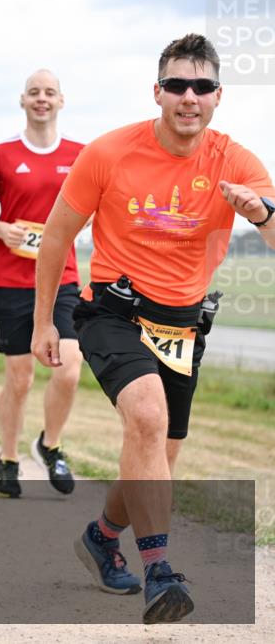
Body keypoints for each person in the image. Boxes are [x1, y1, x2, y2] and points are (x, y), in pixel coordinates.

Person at [32, 34, 275, 625]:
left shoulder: (236, 161)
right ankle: (160, 573)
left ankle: (101, 536)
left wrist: (262, 214)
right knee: (145, 418)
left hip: (183, 324)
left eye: (200, 87)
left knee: (156, 454)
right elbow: (58, 234)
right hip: (114, 310)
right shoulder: (110, 152)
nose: (187, 97)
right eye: (176, 86)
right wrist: (44, 319)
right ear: (157, 92)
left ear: (218, 96)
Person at [0, 70, 84, 499]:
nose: (42, 99)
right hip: (12, 278)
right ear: (23, 100)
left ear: (61, 100)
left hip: (63, 277)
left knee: (69, 368)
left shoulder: (81, 154)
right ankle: (8, 458)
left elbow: (92, 208)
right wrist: (2, 229)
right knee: (19, 378)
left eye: (49, 92)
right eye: (34, 92)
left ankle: (51, 445)